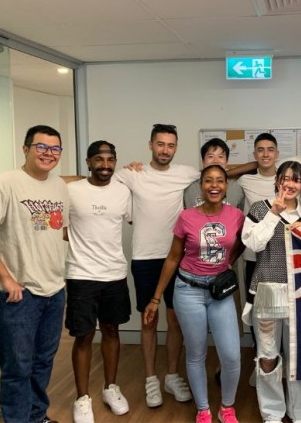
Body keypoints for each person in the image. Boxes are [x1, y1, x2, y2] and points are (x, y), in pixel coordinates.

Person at [0, 125, 69, 423]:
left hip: (54, 291)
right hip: (18, 295)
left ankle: (37, 416)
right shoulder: (5, 183)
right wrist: (5, 278)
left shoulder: (59, 186)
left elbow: (55, 230)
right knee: (17, 367)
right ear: (25, 148)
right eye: (41, 147)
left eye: (55, 148)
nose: (48, 153)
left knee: (43, 362)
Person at [144, 164, 245, 423]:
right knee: (196, 353)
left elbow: (243, 242)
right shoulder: (187, 217)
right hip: (188, 290)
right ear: (201, 186)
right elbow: (173, 257)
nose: (214, 185)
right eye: (208, 180)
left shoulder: (236, 215)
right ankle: (203, 409)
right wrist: (156, 298)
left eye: (220, 181)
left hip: (219, 292)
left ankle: (227, 407)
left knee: (231, 355)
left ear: (226, 186)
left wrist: (229, 262)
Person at [113, 123, 199, 407]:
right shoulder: (132, 174)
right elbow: (98, 178)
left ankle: (172, 376)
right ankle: (151, 379)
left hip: (177, 256)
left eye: (170, 145)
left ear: (176, 148)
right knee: (148, 320)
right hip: (144, 258)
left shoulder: (186, 173)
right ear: (150, 145)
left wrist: (256, 165)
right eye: (160, 144)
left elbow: (221, 172)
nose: (165, 150)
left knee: (175, 320)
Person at [64, 141, 132, 423]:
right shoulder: (72, 190)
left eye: (110, 159)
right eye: (99, 159)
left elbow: (135, 219)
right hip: (81, 274)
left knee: (112, 330)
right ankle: (82, 398)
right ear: (88, 162)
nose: (105, 165)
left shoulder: (123, 191)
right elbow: (59, 224)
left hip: (114, 274)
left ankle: (110, 388)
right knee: (83, 335)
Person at [242, 161, 301, 423]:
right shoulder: (260, 208)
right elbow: (252, 243)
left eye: (296, 179)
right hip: (268, 292)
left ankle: (300, 414)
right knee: (268, 356)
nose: (290, 184)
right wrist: (274, 213)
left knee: (298, 356)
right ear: (277, 181)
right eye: (285, 178)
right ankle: (272, 413)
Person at [237, 133, 280, 376]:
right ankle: (260, 358)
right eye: (260, 150)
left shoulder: (285, 179)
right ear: (254, 155)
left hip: (281, 260)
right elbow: (219, 173)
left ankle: (280, 359)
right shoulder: (245, 180)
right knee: (257, 312)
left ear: (277, 153)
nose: (265, 154)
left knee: (280, 314)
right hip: (254, 258)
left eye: (270, 149)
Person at [183, 138, 245, 211]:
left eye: (220, 156)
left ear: (226, 162)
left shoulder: (236, 187)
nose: (215, 161)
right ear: (203, 161)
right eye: (210, 156)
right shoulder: (188, 186)